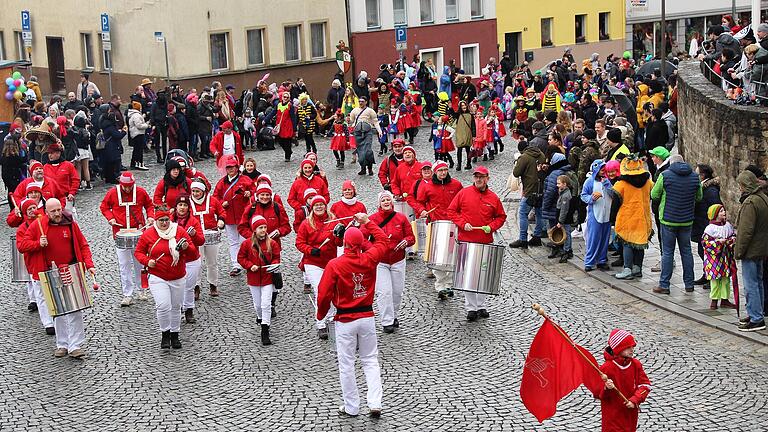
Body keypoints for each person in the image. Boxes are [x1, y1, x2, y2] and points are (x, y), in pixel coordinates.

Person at [316, 213, 388, 418]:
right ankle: (375, 402)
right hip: (367, 317)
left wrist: (321, 314)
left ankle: (352, 406)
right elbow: (382, 240)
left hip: (345, 320)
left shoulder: (335, 265)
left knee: (346, 363)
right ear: (362, 243)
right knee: (370, 360)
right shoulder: (370, 258)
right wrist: (367, 222)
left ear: (344, 243)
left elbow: (323, 295)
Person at [20, 199, 96, 358]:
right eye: (53, 211)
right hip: (49, 272)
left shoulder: (70, 223)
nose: (57, 214)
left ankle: (75, 345)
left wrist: (89, 264)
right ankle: (62, 344)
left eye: (58, 210)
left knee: (74, 309)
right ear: (46, 212)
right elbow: (22, 245)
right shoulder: (37, 225)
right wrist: (37, 244)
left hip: (71, 269)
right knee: (57, 311)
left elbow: (83, 244)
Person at [447, 166, 507, 321]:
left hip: (485, 242)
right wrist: (462, 223)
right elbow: (451, 211)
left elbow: (501, 216)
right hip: (467, 241)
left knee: (483, 275)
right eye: (476, 177)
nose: (479, 179)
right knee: (468, 276)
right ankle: (471, 308)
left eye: (482, 177)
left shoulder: (493, 198)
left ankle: (481, 305)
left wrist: (491, 227)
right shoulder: (464, 193)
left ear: (487, 178)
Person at [134, 205, 197, 349]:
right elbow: (139, 252)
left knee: (176, 307)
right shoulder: (148, 234)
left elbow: (193, 254)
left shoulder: (179, 231)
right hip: (158, 276)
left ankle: (175, 334)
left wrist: (187, 247)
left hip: (178, 276)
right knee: (163, 305)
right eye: (161, 220)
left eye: (166, 220)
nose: (164, 223)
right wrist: (147, 261)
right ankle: (165, 333)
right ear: (156, 221)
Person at [100, 172, 155, 305]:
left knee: (140, 263)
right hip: (121, 233)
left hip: (138, 232)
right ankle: (127, 294)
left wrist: (150, 216)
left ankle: (142, 289)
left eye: (130, 186)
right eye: (125, 186)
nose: (127, 189)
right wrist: (111, 218)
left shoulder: (140, 192)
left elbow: (149, 205)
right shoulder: (112, 193)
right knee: (124, 265)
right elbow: (104, 207)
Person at [651, 155, 702, 294]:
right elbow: (699, 197)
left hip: (668, 219)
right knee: (686, 251)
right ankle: (689, 284)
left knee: (668, 252)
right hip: (687, 220)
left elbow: (654, 194)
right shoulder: (694, 177)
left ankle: (664, 285)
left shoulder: (665, 175)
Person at [296, 195, 341, 339]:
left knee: (332, 291)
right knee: (320, 291)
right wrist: (310, 250)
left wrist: (340, 236)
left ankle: (331, 318)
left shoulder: (334, 221)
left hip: (330, 262)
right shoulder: (306, 224)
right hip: (313, 262)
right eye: (316, 205)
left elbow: (339, 244)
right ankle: (321, 322)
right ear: (312, 207)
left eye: (322, 204)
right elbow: (299, 243)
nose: (319, 207)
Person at [369, 191, 415, 333]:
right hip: (380, 262)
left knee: (397, 292)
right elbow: (363, 238)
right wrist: (373, 249)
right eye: (383, 200)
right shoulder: (373, 220)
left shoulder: (401, 219)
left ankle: (394, 315)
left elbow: (411, 237)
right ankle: (386, 321)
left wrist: (405, 242)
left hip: (398, 260)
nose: (386, 202)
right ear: (379, 204)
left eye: (388, 199)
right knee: (384, 292)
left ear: (392, 202)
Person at [417, 160, 463, 298]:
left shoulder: (456, 185)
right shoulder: (427, 186)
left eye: (445, 170)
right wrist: (422, 210)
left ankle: (448, 284)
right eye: (440, 170)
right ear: (434, 172)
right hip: (435, 223)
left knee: (451, 254)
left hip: (452, 223)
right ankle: (440, 284)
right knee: (438, 256)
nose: (443, 173)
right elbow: (419, 202)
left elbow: (463, 200)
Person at [238, 215, 281, 345]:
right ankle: (261, 318)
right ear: (254, 230)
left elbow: (276, 257)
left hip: (268, 278)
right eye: (260, 228)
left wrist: (273, 264)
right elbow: (241, 258)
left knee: (266, 304)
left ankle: (265, 329)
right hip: (254, 279)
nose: (263, 230)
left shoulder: (272, 243)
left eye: (264, 227)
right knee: (257, 305)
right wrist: (250, 266)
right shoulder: (246, 244)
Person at [596, 329, 651, 432]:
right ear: (618, 349)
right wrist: (606, 388)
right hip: (612, 417)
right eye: (628, 347)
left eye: (632, 346)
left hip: (630, 416)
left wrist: (635, 400)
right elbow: (597, 393)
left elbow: (645, 386)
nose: (632, 349)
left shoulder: (636, 365)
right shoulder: (606, 368)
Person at [14, 199, 54, 333]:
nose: (32, 210)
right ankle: (48, 323)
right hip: (35, 264)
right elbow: (21, 246)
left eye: (33, 207)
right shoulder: (22, 228)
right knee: (41, 296)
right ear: (25, 212)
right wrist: (37, 243)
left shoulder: (44, 221)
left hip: (50, 262)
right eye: (29, 209)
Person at [735, 170, 768, 331]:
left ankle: (756, 318)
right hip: (762, 248)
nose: (739, 188)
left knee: (751, 284)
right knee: (758, 282)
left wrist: (739, 251)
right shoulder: (763, 198)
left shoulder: (751, 202)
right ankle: (756, 312)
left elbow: (745, 231)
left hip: (752, 249)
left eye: (740, 185)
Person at [611, 156, 654, 280]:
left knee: (627, 244)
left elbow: (615, 203)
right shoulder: (647, 182)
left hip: (627, 218)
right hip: (643, 217)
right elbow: (654, 193)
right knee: (639, 243)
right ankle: (637, 268)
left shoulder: (621, 184)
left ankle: (627, 268)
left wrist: (612, 219)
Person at [213, 154, 254, 278]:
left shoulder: (245, 180)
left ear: (237, 168)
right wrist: (221, 203)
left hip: (243, 216)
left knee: (244, 240)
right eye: (228, 167)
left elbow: (255, 192)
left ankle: (245, 261)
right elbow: (215, 197)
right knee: (232, 242)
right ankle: (236, 265)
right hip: (229, 216)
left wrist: (249, 193)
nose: (230, 169)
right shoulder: (221, 183)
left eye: (232, 167)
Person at [171, 195, 205, 324]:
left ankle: (189, 310)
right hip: (175, 259)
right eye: (180, 205)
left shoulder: (194, 221)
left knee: (189, 287)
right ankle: (177, 309)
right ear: (176, 207)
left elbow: (201, 241)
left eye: (185, 205)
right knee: (176, 286)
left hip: (191, 259)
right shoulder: (169, 221)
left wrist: (194, 235)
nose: (182, 207)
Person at [189, 179, 226, 300]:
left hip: (211, 235)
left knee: (212, 262)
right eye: (193, 191)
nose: (195, 193)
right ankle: (196, 287)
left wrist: (221, 220)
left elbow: (221, 212)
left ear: (203, 190)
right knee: (196, 263)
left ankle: (213, 284)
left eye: (197, 191)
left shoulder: (212, 200)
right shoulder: (188, 202)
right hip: (195, 236)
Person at [510, 141, 546, 248]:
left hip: (530, 190)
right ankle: (537, 237)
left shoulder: (524, 157)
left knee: (522, 213)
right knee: (539, 214)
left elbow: (516, 173)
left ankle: (523, 239)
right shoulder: (541, 154)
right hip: (541, 189)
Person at [701, 204, 738, 310]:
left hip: (725, 257)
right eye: (721, 211)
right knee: (715, 279)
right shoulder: (710, 228)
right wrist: (717, 243)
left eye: (724, 210)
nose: (724, 212)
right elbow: (705, 243)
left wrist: (730, 241)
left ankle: (725, 299)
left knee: (726, 278)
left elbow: (733, 237)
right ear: (715, 214)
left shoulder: (728, 226)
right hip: (714, 258)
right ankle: (714, 299)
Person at [581, 160, 613, 271]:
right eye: (601, 168)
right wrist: (591, 199)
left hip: (606, 214)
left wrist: (607, 185)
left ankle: (602, 260)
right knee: (593, 239)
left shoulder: (607, 181)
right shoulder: (589, 182)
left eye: (604, 168)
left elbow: (614, 194)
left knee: (605, 239)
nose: (603, 170)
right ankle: (589, 262)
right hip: (595, 214)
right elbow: (583, 195)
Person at [43, 142, 80, 217]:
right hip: (51, 199)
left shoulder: (68, 165)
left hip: (66, 197)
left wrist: (72, 192)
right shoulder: (45, 167)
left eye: (52, 153)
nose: (50, 155)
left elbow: (75, 179)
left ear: (58, 153)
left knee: (69, 218)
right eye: (49, 153)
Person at [330, 180, 367, 255]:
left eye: (349, 189)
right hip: (341, 239)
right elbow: (331, 223)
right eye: (345, 190)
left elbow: (365, 223)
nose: (347, 191)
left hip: (355, 239)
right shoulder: (336, 206)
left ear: (354, 191)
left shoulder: (360, 206)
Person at [350, 96, 382, 176]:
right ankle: (363, 168)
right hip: (358, 133)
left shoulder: (370, 111)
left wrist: (379, 131)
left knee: (368, 151)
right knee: (360, 151)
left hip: (368, 133)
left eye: (362, 101)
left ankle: (370, 168)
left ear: (366, 102)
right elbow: (352, 120)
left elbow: (375, 122)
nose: (361, 103)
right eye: (360, 101)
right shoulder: (354, 110)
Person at [554, 175, 578, 263]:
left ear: (565, 184)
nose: (557, 185)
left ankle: (567, 250)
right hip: (563, 218)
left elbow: (564, 210)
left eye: (559, 183)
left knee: (566, 234)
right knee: (566, 233)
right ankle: (568, 250)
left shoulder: (565, 196)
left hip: (565, 219)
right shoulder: (562, 192)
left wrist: (560, 221)